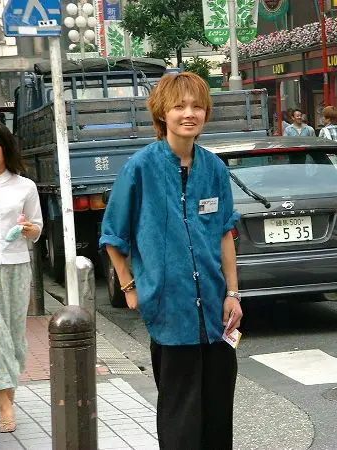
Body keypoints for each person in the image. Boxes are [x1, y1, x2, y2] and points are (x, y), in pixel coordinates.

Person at [99, 72, 242, 449]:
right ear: (163, 113)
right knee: (180, 415)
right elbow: (113, 234)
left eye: (196, 106)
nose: (188, 113)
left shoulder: (214, 168)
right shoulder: (141, 167)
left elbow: (225, 233)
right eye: (179, 106)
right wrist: (129, 286)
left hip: (214, 309)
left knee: (217, 411)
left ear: (206, 113)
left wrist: (233, 293)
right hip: (169, 308)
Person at [0, 119, 43, 433]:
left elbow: (36, 228)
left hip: (17, 267)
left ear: (5, 148)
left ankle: (6, 392)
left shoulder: (25, 186)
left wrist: (31, 230)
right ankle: (5, 406)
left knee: (14, 339)